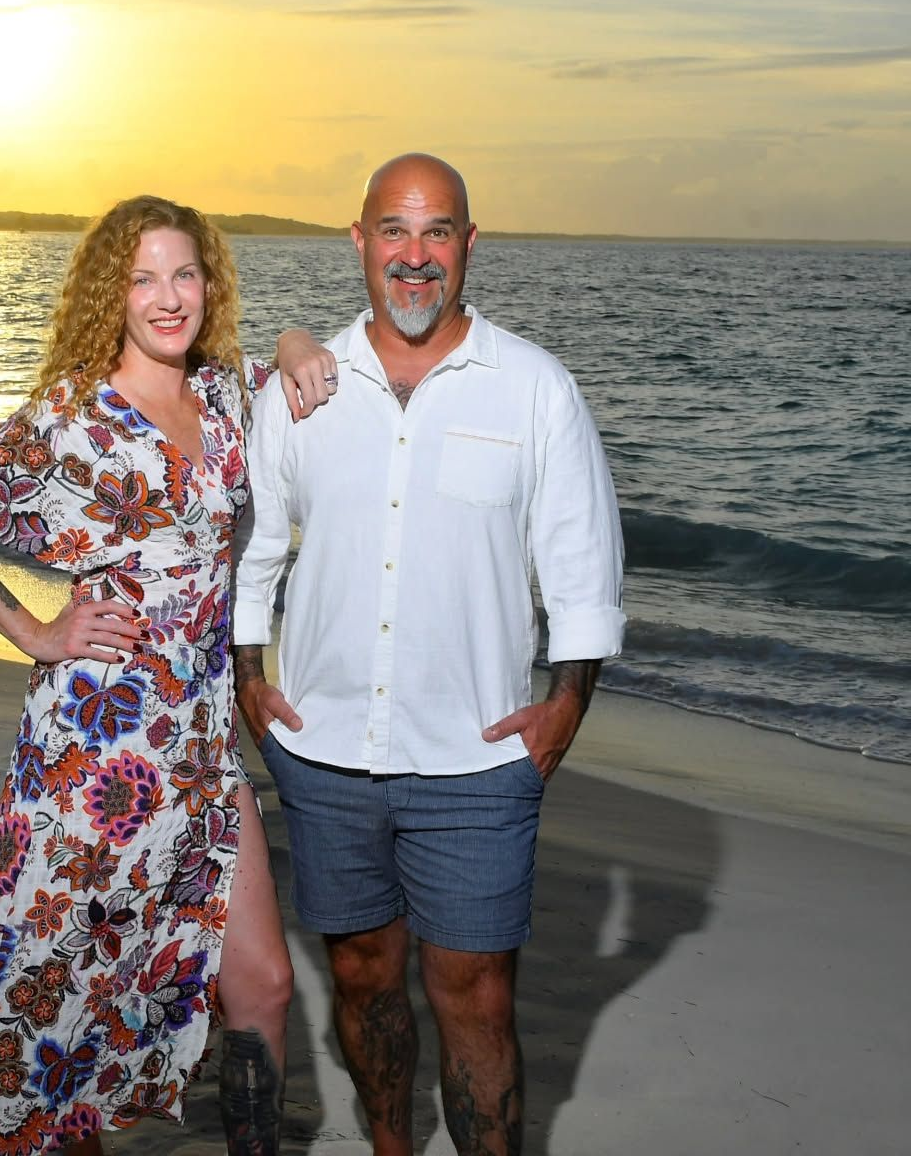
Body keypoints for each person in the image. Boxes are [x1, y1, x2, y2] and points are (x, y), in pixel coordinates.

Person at [0, 194, 336, 1156]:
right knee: (65, 1001)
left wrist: (301, 335)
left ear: (207, 284)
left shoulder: (225, 393)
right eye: (142, 278)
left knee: (262, 982)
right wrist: (37, 631)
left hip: (204, 746)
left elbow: (297, 373)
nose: (167, 297)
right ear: (114, 293)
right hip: (95, 755)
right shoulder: (74, 415)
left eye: (185, 273)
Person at [232, 154, 625, 1156]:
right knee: (360, 973)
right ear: (357, 242)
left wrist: (564, 703)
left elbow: (578, 560)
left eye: (436, 231)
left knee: (476, 994)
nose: (414, 256)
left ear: (466, 246)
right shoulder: (297, 388)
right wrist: (247, 675)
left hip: (478, 761)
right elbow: (257, 547)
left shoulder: (533, 388)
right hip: (323, 755)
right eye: (394, 232)